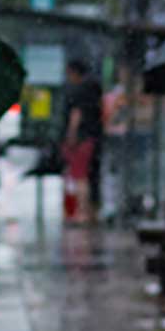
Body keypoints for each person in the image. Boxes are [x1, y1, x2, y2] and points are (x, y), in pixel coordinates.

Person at [61, 59, 104, 224]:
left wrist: (71, 135)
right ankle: (90, 211)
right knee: (89, 175)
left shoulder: (79, 91)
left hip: (81, 140)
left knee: (79, 176)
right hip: (93, 138)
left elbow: (76, 114)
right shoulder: (94, 90)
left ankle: (81, 212)